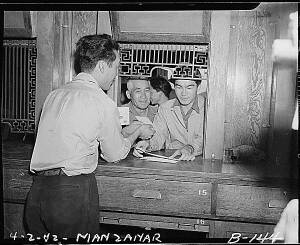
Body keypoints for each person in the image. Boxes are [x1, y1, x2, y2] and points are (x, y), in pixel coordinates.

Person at [24, 34, 154, 239]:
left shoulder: (54, 95)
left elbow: (76, 134)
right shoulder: (101, 101)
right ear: (102, 66)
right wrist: (136, 131)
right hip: (71, 195)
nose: (116, 74)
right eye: (116, 67)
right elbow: (114, 154)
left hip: (37, 192)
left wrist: (125, 133)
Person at [133, 78, 205, 161]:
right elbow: (158, 135)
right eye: (179, 87)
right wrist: (147, 144)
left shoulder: (209, 109)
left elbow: (207, 139)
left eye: (189, 88)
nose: (183, 93)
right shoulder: (165, 108)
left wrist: (190, 148)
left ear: (198, 87)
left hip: (201, 161)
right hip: (173, 160)